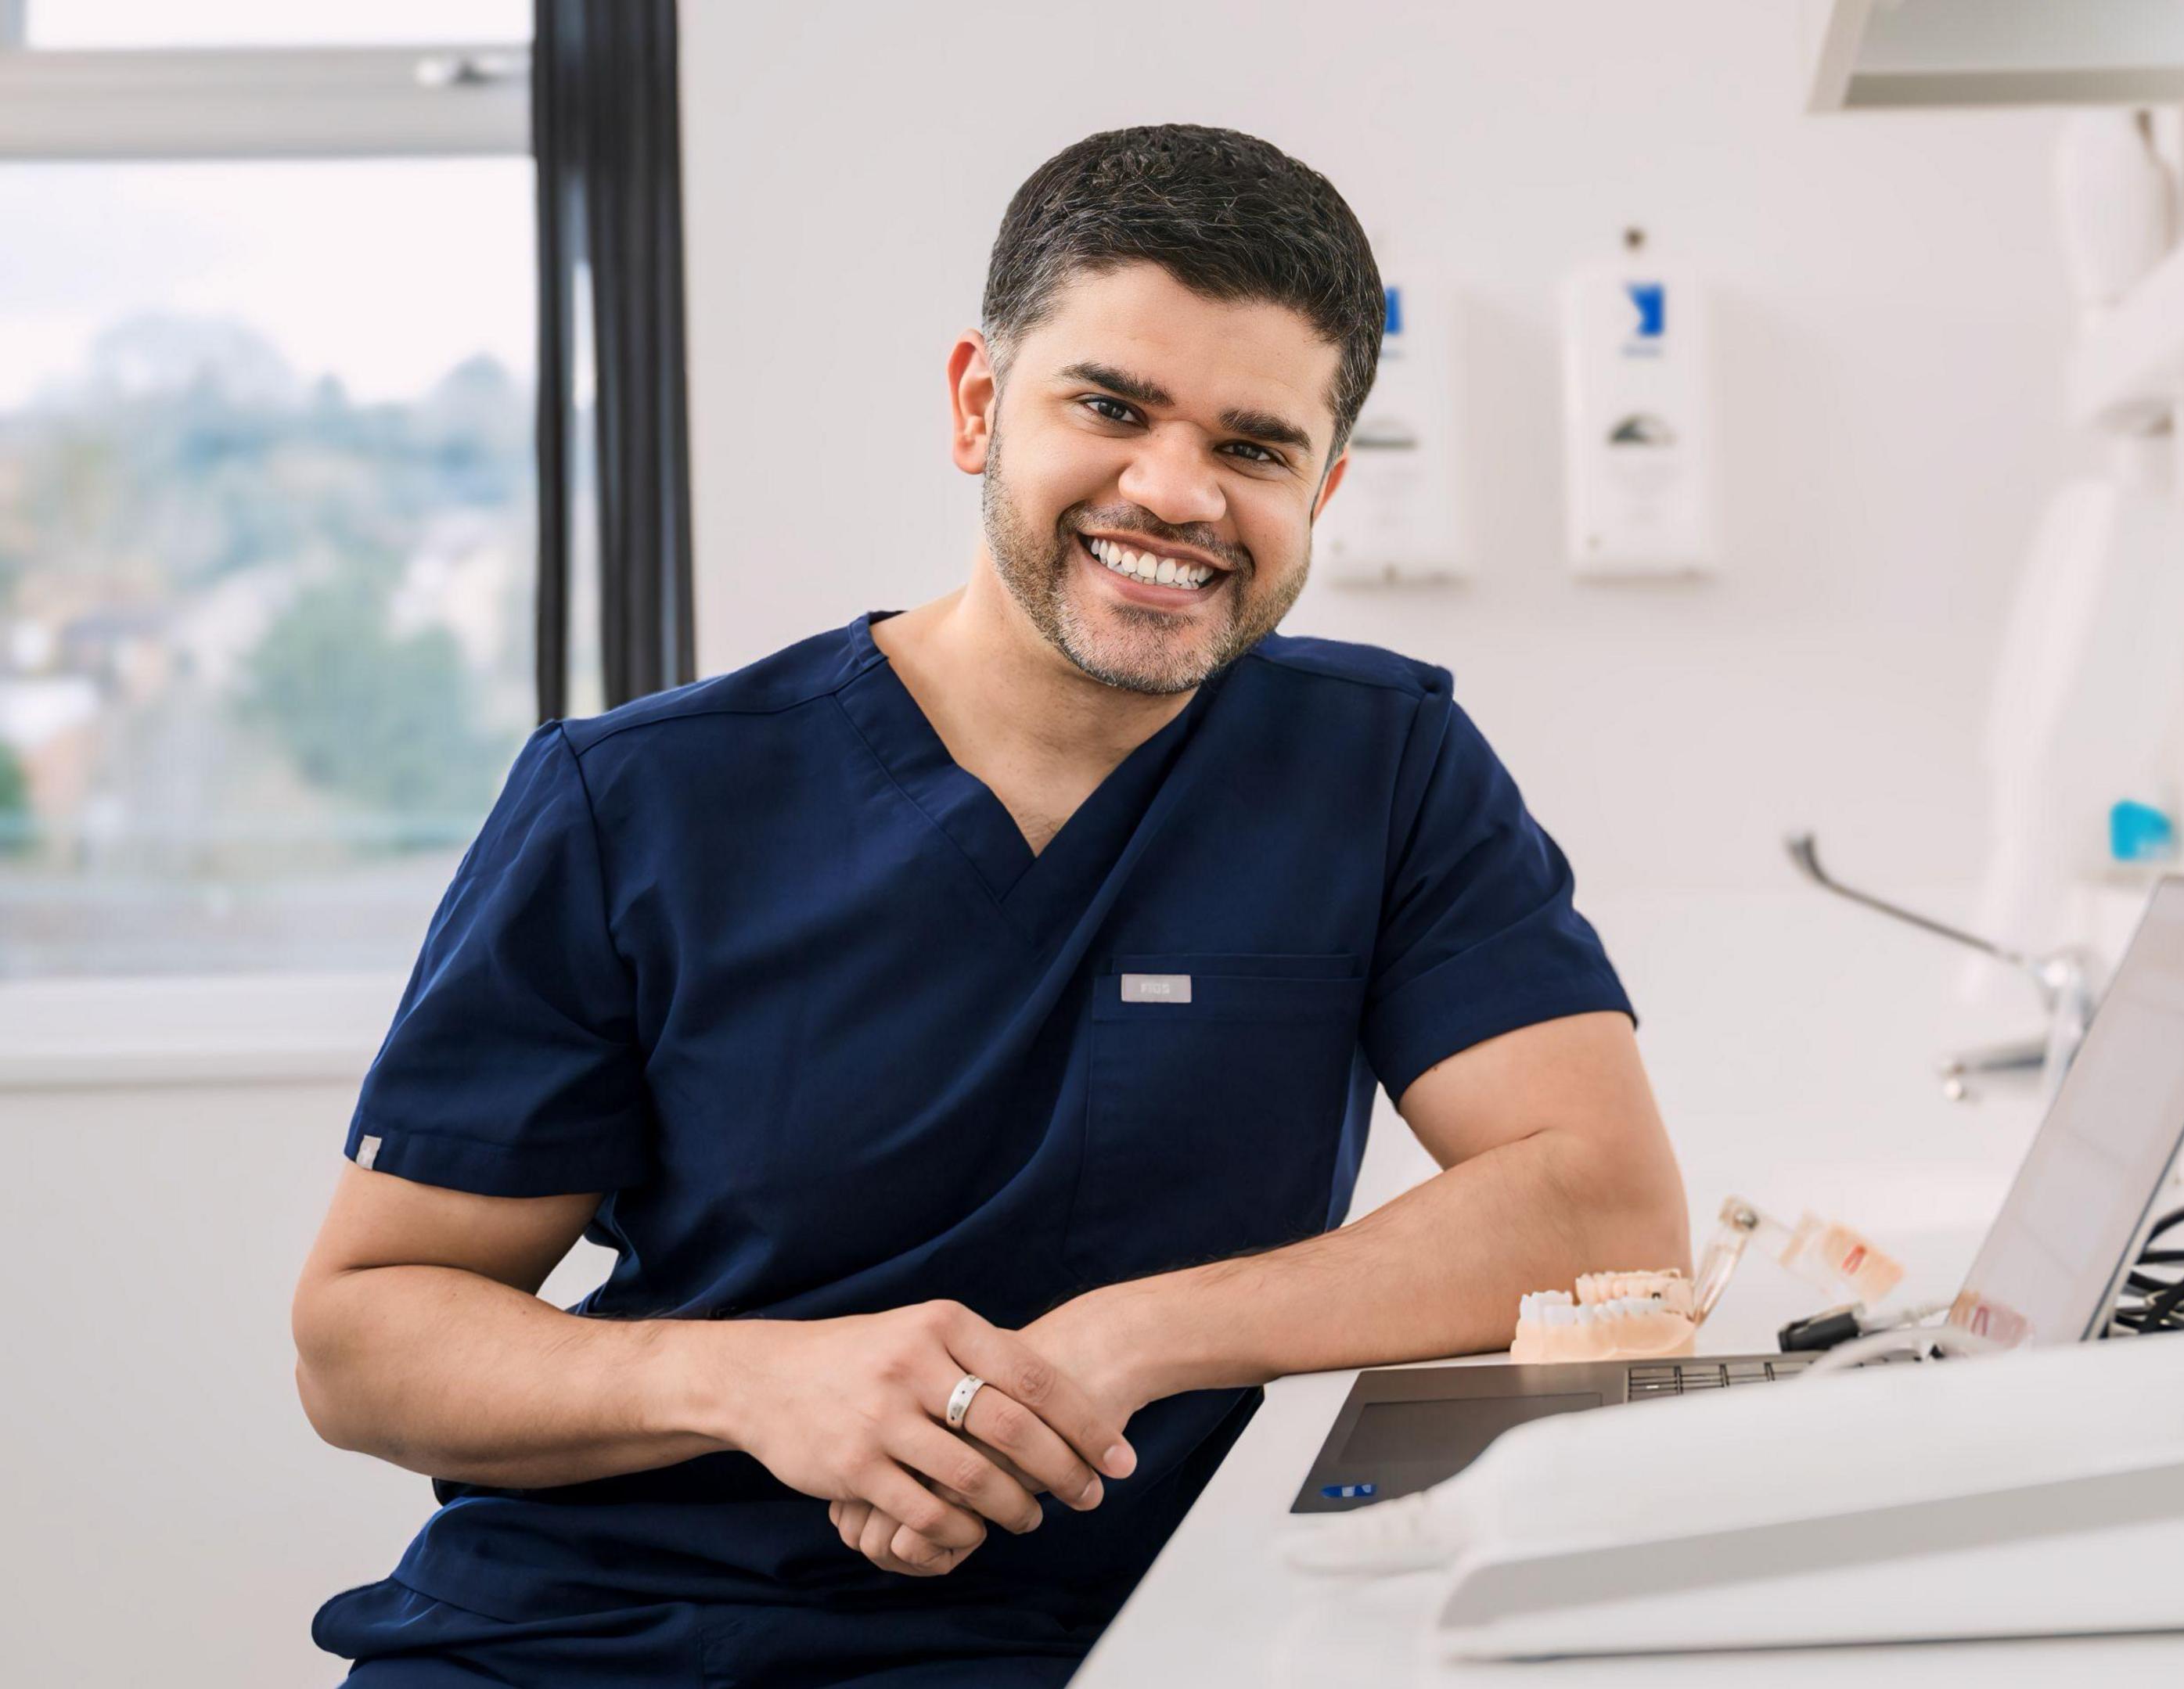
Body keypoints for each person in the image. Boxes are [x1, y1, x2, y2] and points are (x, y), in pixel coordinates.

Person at [292, 124, 1688, 1686]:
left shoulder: (1378, 767)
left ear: (1327, 485)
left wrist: (1125, 1339)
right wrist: (757, 1386)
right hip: (605, 1637)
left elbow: (1601, 1208)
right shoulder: (641, 800)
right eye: (1110, 406)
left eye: (1253, 446)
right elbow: (364, 1341)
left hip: (1132, 1636)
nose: (1175, 493)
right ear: (979, 405)